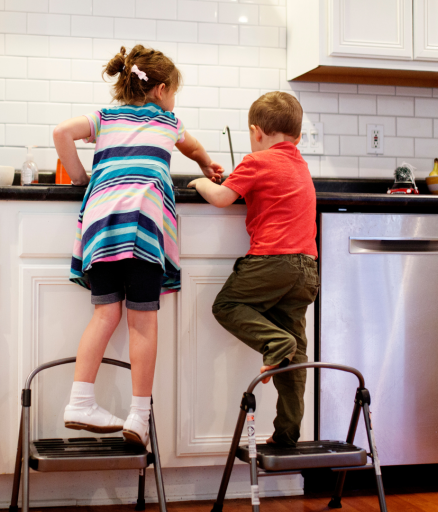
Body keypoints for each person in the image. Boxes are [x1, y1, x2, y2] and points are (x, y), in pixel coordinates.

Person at [53, 45, 224, 446]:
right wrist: (206, 165)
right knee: (142, 321)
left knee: (104, 315)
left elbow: (61, 132)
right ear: (162, 90)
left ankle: (79, 401)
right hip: (142, 226)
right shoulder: (168, 121)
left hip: (101, 225)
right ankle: (138, 416)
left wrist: (81, 177)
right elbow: (193, 146)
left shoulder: (104, 117)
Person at [188, 91, 319, 447]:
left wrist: (201, 182)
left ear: (255, 131)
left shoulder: (256, 161)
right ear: (297, 135)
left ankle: (275, 342)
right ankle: (287, 434)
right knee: (296, 357)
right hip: (307, 270)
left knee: (226, 306)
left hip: (272, 262)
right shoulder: (299, 164)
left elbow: (221, 198)